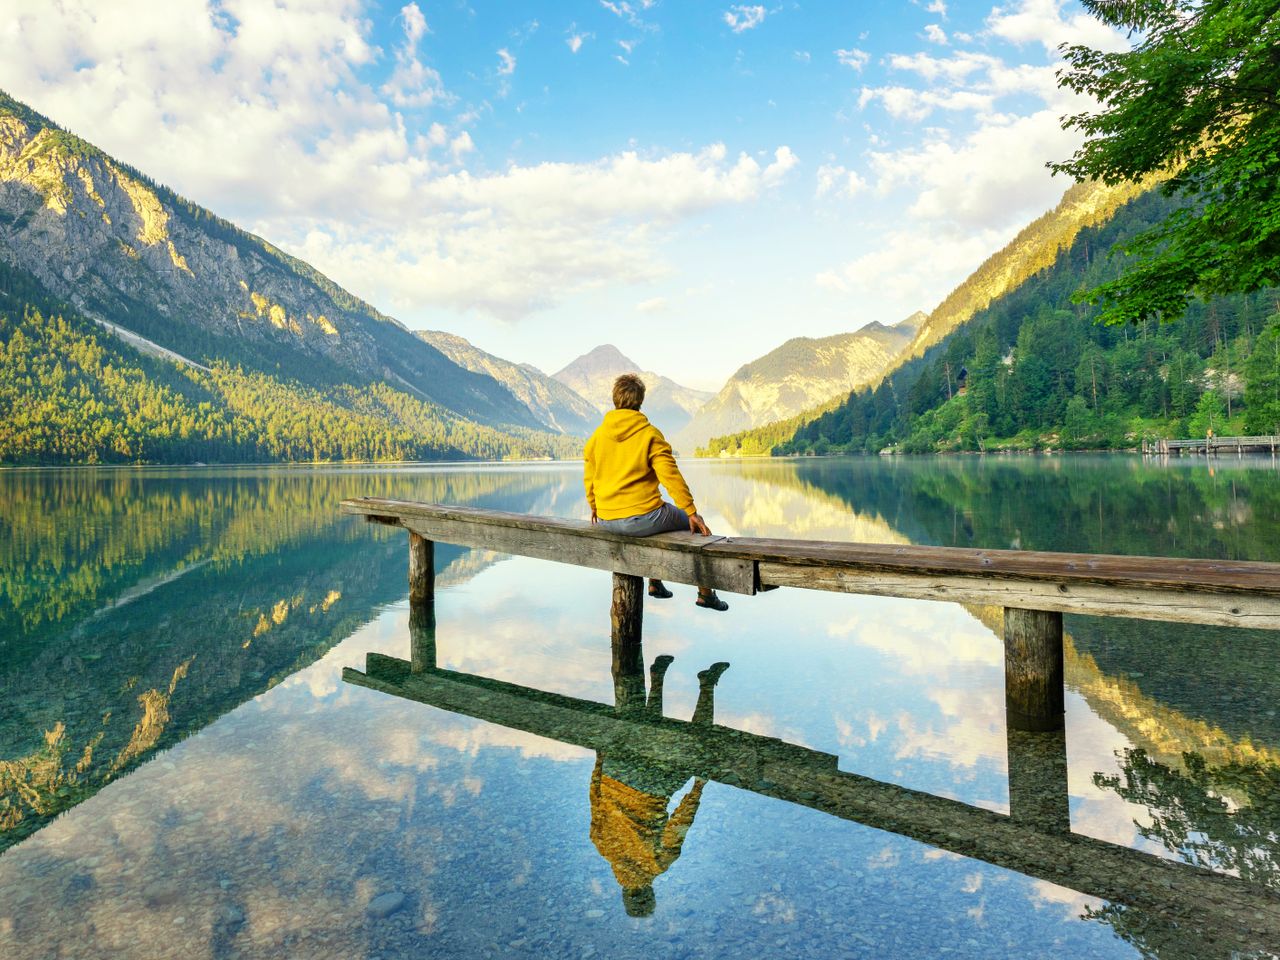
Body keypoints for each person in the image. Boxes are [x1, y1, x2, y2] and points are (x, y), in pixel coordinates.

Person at [583, 373, 728, 611]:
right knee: (694, 527)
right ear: (640, 401)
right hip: (643, 518)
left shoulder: (597, 437)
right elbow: (670, 476)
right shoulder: (649, 434)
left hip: (607, 520)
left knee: (658, 522)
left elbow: (590, 477)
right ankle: (705, 593)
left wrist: (595, 506)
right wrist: (691, 511)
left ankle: (656, 582)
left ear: (615, 400)